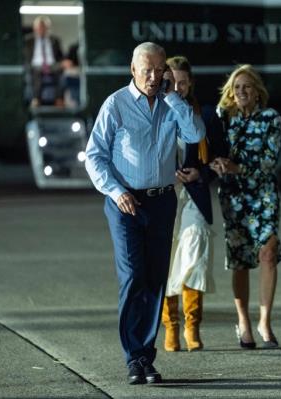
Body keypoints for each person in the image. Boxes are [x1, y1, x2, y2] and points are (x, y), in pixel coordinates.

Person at [84, 42, 205, 385]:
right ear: (133, 70)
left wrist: (173, 97)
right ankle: (133, 356)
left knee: (155, 279)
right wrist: (116, 190)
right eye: (147, 70)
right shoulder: (116, 104)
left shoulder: (171, 104)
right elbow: (94, 156)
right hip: (125, 202)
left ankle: (145, 358)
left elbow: (196, 134)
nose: (153, 77)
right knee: (133, 276)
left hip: (162, 200)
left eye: (159, 70)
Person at [209, 64, 281, 349]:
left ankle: (265, 320)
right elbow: (209, 147)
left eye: (246, 87)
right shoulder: (223, 118)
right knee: (240, 261)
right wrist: (214, 163)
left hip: (263, 194)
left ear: (257, 92)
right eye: (236, 87)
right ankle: (243, 321)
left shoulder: (270, 118)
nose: (241, 91)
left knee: (267, 253)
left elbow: (269, 161)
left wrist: (236, 167)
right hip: (234, 196)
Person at [161, 56, 215, 352]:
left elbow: (218, 157)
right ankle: (171, 327)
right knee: (166, 262)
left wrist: (200, 172)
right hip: (165, 193)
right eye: (173, 82)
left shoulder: (203, 114)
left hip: (194, 194)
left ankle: (192, 326)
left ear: (190, 83)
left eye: (183, 82)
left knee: (194, 258)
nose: (178, 88)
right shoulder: (156, 112)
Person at [23, 16, 63, 107]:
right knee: (35, 73)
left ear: (47, 28)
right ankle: (36, 99)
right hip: (35, 65)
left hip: (52, 65)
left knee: (61, 73)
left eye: (43, 27)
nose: (41, 29)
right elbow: (25, 58)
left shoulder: (55, 40)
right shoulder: (28, 41)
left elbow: (60, 56)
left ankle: (59, 99)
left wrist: (63, 63)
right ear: (35, 28)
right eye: (39, 27)